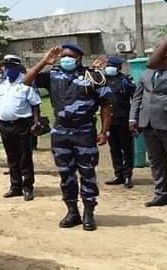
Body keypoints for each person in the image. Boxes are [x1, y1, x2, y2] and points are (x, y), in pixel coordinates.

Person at [24, 44, 112, 231]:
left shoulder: (93, 77)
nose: (65, 59)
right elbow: (26, 80)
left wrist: (104, 132)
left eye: (69, 56)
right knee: (66, 174)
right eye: (63, 56)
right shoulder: (53, 75)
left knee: (87, 174)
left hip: (84, 132)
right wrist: (44, 61)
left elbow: (106, 106)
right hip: (61, 132)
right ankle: (72, 211)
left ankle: (89, 212)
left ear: (79, 58)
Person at [0, 55, 42, 201]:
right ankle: (15, 186)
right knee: (11, 158)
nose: (8, 70)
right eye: (6, 67)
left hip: (22, 124)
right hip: (4, 125)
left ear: (18, 68)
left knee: (25, 157)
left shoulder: (25, 83)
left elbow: (35, 103)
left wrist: (36, 121)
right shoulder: (0, 84)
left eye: (11, 67)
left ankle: (27, 187)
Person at [130, 42, 167, 207]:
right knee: (155, 160)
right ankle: (161, 194)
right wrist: (133, 119)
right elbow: (137, 98)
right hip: (147, 123)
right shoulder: (146, 74)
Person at [103, 56, 136, 189]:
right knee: (114, 149)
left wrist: (134, 119)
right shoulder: (103, 80)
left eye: (112, 65)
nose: (109, 67)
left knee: (127, 149)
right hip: (109, 122)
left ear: (119, 67)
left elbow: (135, 98)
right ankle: (119, 175)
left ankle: (128, 175)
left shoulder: (125, 81)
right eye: (108, 65)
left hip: (124, 121)